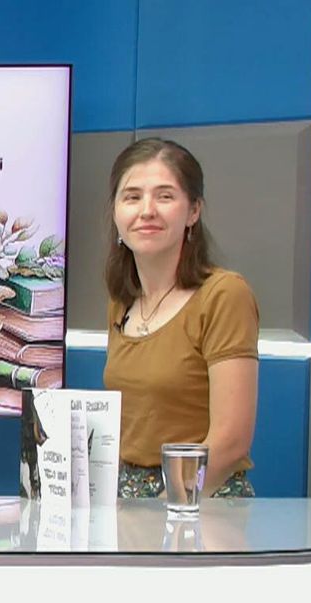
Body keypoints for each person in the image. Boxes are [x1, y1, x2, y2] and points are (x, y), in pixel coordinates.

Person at [101, 138, 259, 498]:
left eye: (165, 196)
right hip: (128, 500)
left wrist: (160, 513)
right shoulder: (122, 301)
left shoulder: (224, 295)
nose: (147, 210)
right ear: (115, 212)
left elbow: (231, 441)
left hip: (202, 499)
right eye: (132, 197)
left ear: (193, 211)